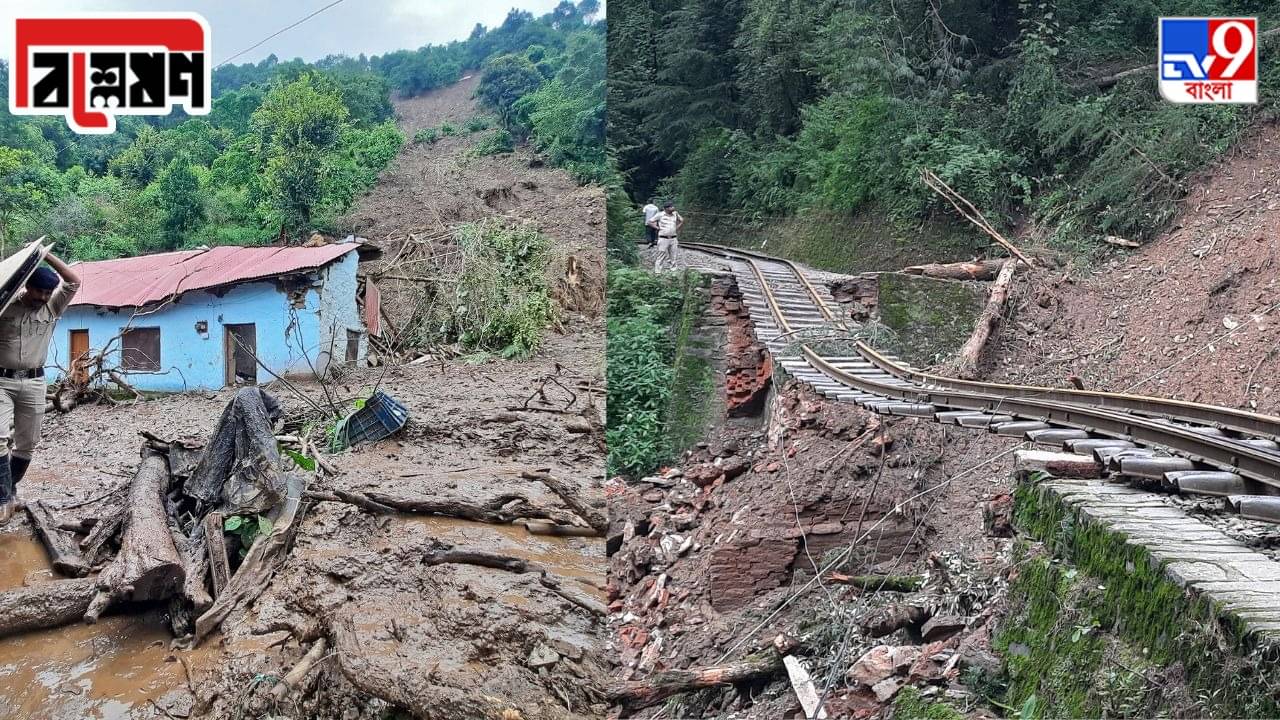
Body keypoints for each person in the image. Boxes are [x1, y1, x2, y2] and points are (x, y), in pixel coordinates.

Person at [0, 253, 80, 521]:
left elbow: (73, 281)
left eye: (47, 292)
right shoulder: (5, 305)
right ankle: (2, 500)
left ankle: (9, 491)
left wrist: (46, 255)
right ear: (27, 287)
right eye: (39, 291)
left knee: (27, 444)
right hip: (2, 381)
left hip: (35, 383)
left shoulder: (53, 308)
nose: (43, 297)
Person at [648, 202, 684, 272]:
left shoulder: (675, 214)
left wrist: (676, 228)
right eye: (671, 207)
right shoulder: (660, 214)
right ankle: (658, 271)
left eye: (672, 206)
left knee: (673, 255)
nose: (673, 208)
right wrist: (657, 228)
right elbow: (650, 222)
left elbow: (682, 220)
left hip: (673, 238)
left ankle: (673, 271)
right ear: (666, 208)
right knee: (661, 254)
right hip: (663, 238)